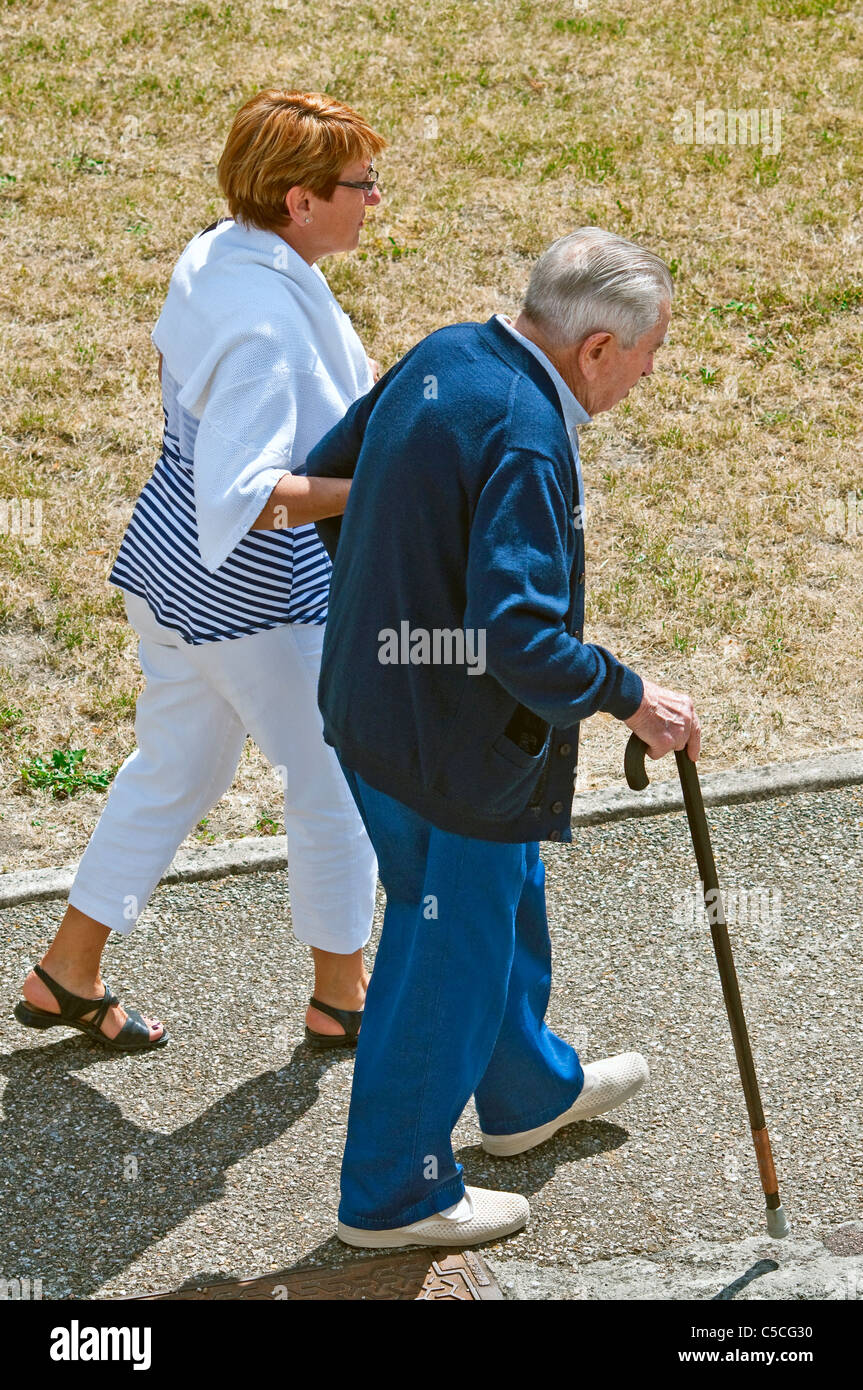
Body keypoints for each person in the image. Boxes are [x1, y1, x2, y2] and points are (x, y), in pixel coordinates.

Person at [304, 226, 701, 1246]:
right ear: (596, 348)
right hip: (451, 750)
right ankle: (393, 1191)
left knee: (496, 899)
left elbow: (325, 481)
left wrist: (405, 594)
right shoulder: (528, 433)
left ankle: (524, 1090)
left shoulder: (445, 353)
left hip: (369, 710)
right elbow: (516, 634)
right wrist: (627, 697)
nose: (649, 376)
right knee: (446, 950)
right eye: (649, 354)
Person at [15, 91, 386, 1052]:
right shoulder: (264, 329)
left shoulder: (222, 251)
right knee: (335, 777)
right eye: (359, 184)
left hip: (167, 569)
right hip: (253, 599)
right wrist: (383, 481)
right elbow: (256, 493)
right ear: (299, 201)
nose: (374, 200)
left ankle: (68, 970)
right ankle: (343, 997)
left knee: (176, 767)